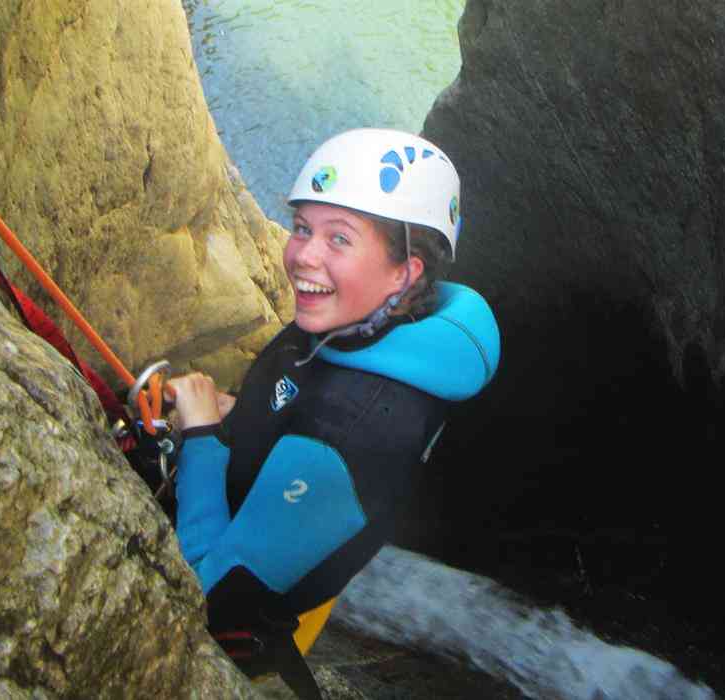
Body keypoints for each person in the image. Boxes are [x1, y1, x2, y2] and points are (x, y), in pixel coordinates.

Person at [166, 128, 500, 696]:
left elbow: (207, 599)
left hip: (237, 627)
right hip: (281, 538)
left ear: (406, 272)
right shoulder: (368, 328)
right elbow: (297, 405)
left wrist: (200, 437)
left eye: (338, 238)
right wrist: (238, 414)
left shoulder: (351, 432)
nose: (302, 255)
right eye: (302, 227)